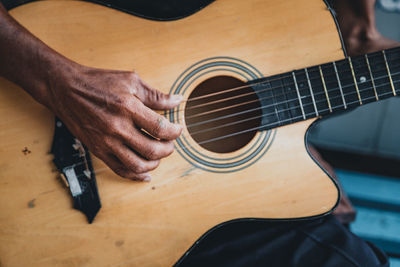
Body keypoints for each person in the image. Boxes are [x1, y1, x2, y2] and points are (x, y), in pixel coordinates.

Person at [0, 0, 397, 266]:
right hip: (39, 76)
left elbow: (346, 46)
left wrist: (297, 157)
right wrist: (57, 81)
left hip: (209, 196)